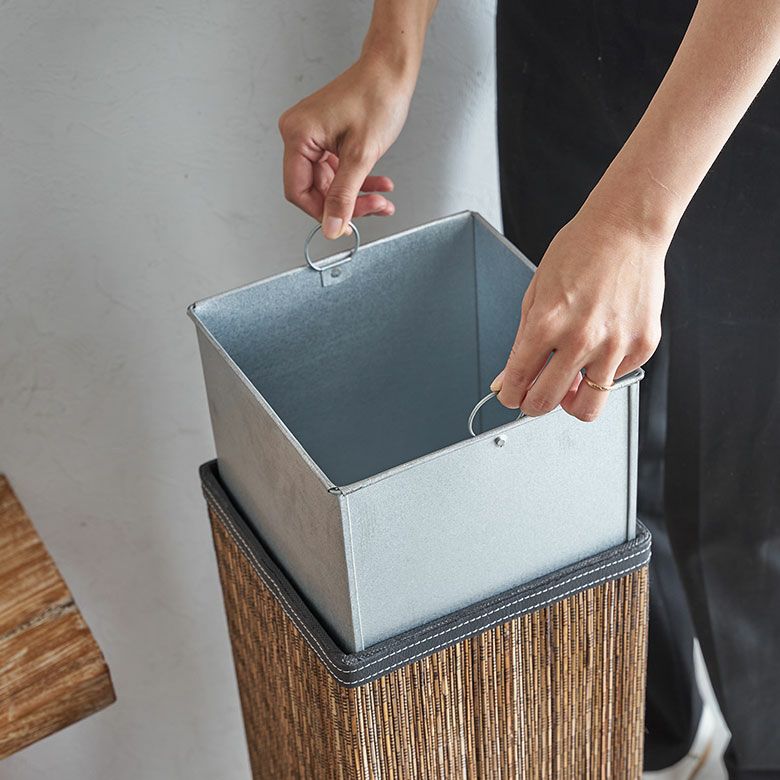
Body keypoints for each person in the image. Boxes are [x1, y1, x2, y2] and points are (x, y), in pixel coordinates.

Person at [278, 2, 780, 777]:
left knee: (741, 512)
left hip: (745, 57)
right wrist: (389, 54)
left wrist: (635, 222)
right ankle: (645, 742)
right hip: (561, 38)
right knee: (587, 453)